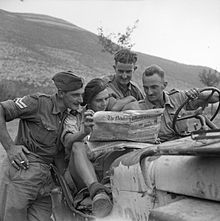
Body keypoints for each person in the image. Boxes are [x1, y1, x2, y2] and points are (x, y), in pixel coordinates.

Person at [0, 71, 103, 221]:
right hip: (22, 173)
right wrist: (10, 147)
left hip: (46, 182)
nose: (80, 100)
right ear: (61, 93)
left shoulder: (67, 116)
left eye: (81, 95)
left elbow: (63, 148)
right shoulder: (38, 102)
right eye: (75, 95)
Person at [61, 78, 136, 218]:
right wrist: (84, 132)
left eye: (106, 99)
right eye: (99, 100)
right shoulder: (75, 117)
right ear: (88, 101)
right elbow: (67, 142)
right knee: (78, 145)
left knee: (126, 147)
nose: (103, 104)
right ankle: (96, 191)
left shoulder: (110, 115)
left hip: (104, 167)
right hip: (80, 171)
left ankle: (108, 187)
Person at [123, 64, 219, 142]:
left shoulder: (178, 97)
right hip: (160, 154)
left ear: (164, 85)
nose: (149, 92)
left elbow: (216, 97)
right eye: (146, 87)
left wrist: (198, 94)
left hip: (185, 143)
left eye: (154, 87)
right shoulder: (139, 109)